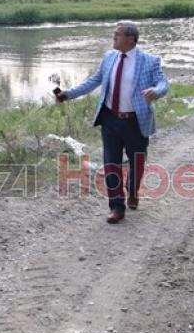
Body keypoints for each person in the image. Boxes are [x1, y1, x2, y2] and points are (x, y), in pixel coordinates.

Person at [56, 21, 169, 223]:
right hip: (110, 119)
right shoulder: (109, 57)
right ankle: (117, 207)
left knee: (137, 162)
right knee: (111, 164)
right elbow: (93, 81)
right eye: (114, 33)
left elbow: (163, 83)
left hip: (135, 121)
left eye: (117, 34)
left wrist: (156, 91)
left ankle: (132, 190)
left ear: (131, 38)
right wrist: (68, 94)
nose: (113, 37)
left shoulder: (150, 61)